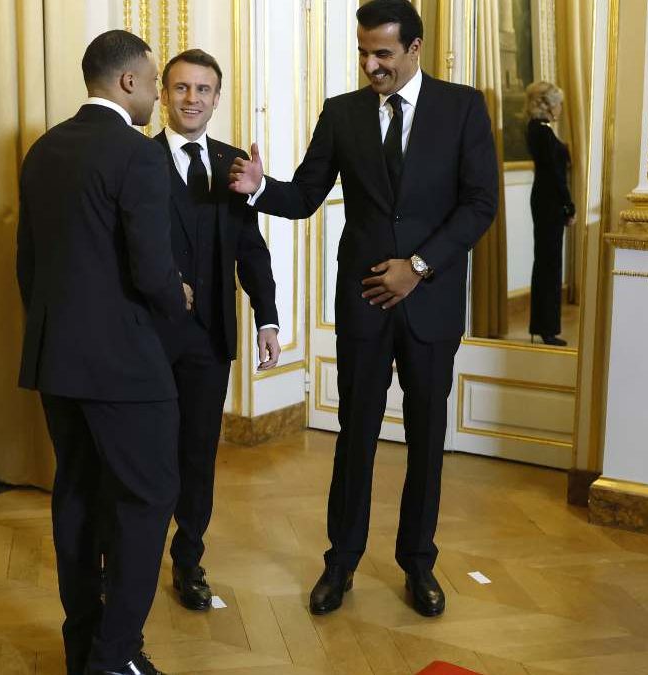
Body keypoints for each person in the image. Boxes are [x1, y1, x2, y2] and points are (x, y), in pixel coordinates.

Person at [229, 0, 498, 618]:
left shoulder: (462, 108)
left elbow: (480, 204)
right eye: (363, 52)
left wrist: (419, 267)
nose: (371, 64)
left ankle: (418, 564)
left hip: (430, 305)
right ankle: (340, 562)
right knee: (355, 438)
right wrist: (261, 188)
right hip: (364, 306)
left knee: (428, 438)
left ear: (414, 48)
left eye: (383, 52)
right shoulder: (341, 113)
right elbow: (304, 196)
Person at [17, 30, 190, 675]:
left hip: (57, 360)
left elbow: (27, 269)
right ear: (127, 83)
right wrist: (179, 296)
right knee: (147, 502)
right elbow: (151, 272)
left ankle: (82, 647)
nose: (156, 96)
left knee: (78, 499)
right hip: (125, 366)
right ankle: (115, 659)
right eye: (152, 83)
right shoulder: (138, 155)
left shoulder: (42, 151)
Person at [152, 49, 280, 612]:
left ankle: (189, 562)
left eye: (203, 90)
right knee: (143, 456)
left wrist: (268, 319)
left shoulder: (234, 165)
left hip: (209, 340)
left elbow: (252, 252)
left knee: (198, 456)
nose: (192, 99)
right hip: (148, 338)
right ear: (162, 94)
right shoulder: (136, 159)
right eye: (181, 88)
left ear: (217, 98)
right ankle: (124, 560)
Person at [525, 81, 575, 346]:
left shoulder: (536, 130)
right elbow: (556, 176)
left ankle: (542, 326)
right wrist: (569, 205)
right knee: (550, 265)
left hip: (543, 200)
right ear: (547, 104)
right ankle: (547, 329)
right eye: (557, 102)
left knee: (544, 263)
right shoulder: (543, 132)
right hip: (550, 203)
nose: (560, 108)